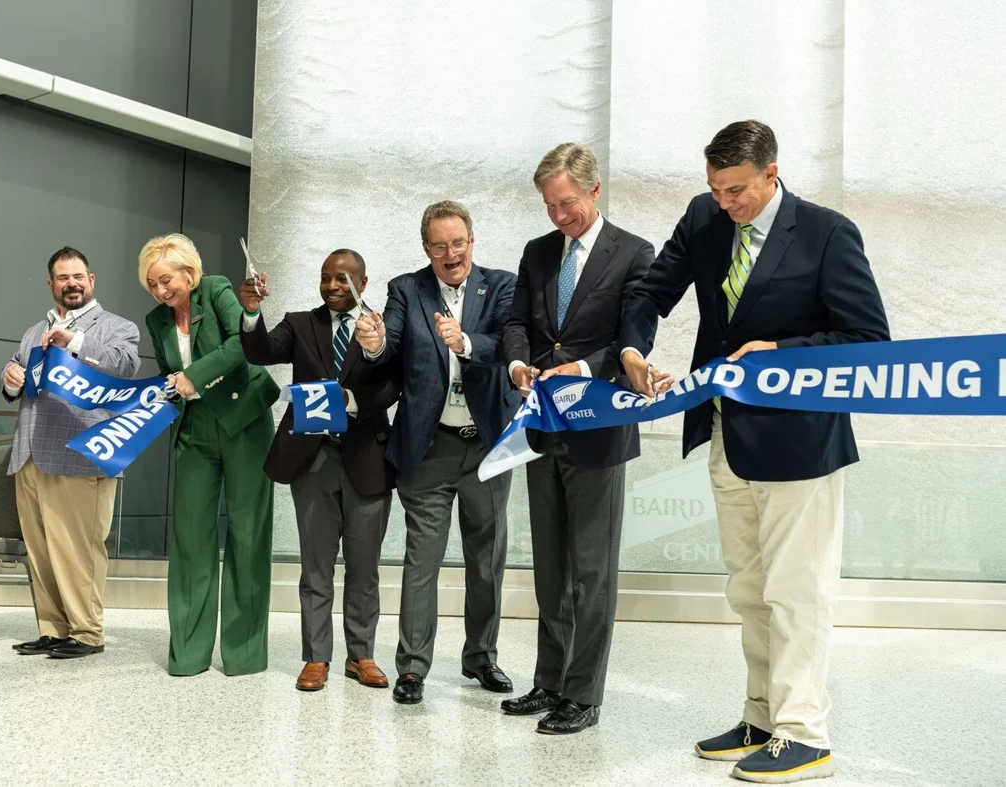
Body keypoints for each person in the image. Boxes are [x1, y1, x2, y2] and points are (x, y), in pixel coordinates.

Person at [618, 120, 890, 782]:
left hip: (801, 442)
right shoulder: (705, 218)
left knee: (798, 588)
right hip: (723, 432)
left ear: (772, 172)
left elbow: (867, 339)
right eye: (715, 189)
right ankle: (763, 715)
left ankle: (805, 730)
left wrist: (783, 354)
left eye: (736, 190)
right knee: (749, 589)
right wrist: (631, 347)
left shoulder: (827, 233)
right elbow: (650, 292)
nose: (725, 203)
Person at [501, 143, 655, 734]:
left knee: (592, 569)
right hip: (542, 425)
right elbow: (517, 324)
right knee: (551, 567)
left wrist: (586, 369)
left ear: (594, 190)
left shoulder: (635, 254)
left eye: (566, 202)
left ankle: (584, 694)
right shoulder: (538, 253)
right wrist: (518, 367)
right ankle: (549, 680)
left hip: (598, 430)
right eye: (548, 205)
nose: (558, 215)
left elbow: (633, 334)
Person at [355, 200, 519, 705]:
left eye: (459, 242)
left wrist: (467, 342)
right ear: (425, 248)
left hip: (488, 445)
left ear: (473, 240)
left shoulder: (504, 285)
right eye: (439, 245)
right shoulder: (408, 289)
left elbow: (509, 343)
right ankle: (412, 668)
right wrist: (374, 341)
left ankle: (482, 657)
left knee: (486, 559)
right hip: (428, 448)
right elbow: (391, 344)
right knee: (421, 561)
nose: (451, 254)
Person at [238, 249, 400, 692]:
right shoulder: (299, 323)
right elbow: (260, 352)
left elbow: (392, 384)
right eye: (325, 278)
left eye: (342, 279)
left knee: (364, 570)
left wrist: (354, 402)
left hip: (367, 459)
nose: (331, 286)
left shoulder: (380, 328)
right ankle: (316, 657)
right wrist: (252, 312)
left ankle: (361, 655)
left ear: (363, 284)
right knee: (316, 567)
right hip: (312, 461)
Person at [140, 233, 280, 677]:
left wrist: (193, 376)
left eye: (167, 280)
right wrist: (168, 389)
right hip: (194, 431)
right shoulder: (156, 320)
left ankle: (243, 656)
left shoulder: (217, 288)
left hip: (245, 423)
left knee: (247, 535)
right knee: (190, 540)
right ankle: (188, 654)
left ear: (188, 271)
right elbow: (168, 374)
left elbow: (243, 343)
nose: (162, 291)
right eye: (153, 285)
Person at [0, 246, 140, 659]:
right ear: (51, 285)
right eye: (63, 278)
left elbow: (122, 366)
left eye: (78, 276)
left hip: (80, 454)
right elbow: (14, 374)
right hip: (29, 454)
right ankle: (53, 628)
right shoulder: (32, 332)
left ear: (91, 280)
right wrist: (9, 378)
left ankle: (87, 632)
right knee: (42, 550)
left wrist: (75, 340)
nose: (71, 283)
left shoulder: (117, 327)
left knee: (79, 548)